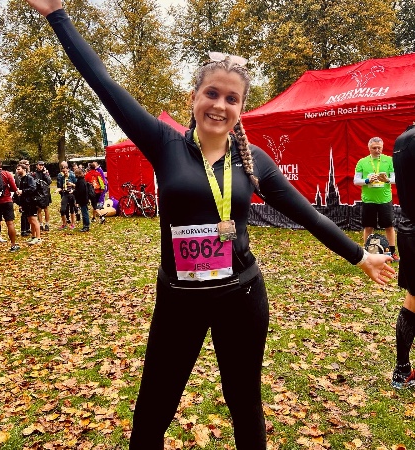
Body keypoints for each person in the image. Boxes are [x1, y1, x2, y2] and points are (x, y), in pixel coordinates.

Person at [24, 2, 395, 448]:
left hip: (241, 296)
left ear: (241, 107)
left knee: (244, 403)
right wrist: (57, 14)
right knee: (153, 409)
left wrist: (359, 255)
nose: (219, 105)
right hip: (178, 298)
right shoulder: (163, 143)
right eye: (212, 94)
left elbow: (309, 214)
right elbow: (105, 83)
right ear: (194, 98)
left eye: (231, 98)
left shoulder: (254, 161)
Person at [391, 122, 415, 389]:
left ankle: (402, 369)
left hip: (408, 227)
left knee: (413, 299)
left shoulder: (403, 138)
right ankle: (401, 368)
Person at [354, 137, 399, 261]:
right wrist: (367, 180)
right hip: (369, 200)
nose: (377, 150)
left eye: (379, 148)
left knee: (389, 226)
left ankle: (392, 253)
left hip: (385, 199)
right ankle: (366, 253)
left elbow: (396, 178)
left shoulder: (389, 160)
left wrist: (387, 180)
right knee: (368, 227)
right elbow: (356, 180)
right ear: (369, 148)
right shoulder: (362, 162)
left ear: (382, 147)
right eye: (374, 148)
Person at [16, 163, 42, 245]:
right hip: (25, 203)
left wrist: (23, 191)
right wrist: (21, 204)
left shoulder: (29, 178)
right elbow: (21, 193)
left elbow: (33, 188)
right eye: (17, 169)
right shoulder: (22, 179)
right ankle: (33, 236)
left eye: (19, 169)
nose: (17, 171)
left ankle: (38, 238)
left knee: (34, 219)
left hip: (31, 202)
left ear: (24, 169)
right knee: (30, 220)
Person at [32, 161, 52, 231]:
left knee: (46, 209)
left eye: (42, 165)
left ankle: (47, 224)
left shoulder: (46, 173)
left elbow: (49, 182)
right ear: (37, 165)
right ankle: (41, 224)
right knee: (39, 209)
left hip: (45, 193)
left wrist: (45, 174)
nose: (41, 166)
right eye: (40, 165)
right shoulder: (34, 174)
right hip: (38, 193)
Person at [56, 162, 77, 229]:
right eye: (63, 171)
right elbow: (60, 187)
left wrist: (72, 186)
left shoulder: (72, 176)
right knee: (62, 210)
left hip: (72, 194)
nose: (65, 173)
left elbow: (77, 185)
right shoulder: (62, 177)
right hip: (65, 194)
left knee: (72, 209)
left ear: (68, 169)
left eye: (66, 171)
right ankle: (64, 224)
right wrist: (57, 190)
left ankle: (73, 224)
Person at [14, 159, 32, 237]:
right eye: (27, 164)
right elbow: (19, 185)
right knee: (24, 213)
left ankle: (27, 228)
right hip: (21, 195)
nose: (28, 166)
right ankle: (24, 229)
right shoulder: (19, 175)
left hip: (26, 195)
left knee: (28, 213)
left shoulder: (28, 175)